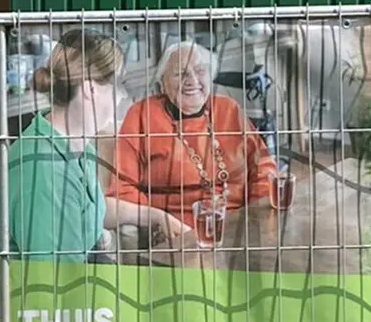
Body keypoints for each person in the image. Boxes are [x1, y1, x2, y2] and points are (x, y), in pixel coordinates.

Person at [0, 28, 191, 262]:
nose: (122, 96)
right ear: (90, 89)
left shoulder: (75, 146)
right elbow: (53, 278)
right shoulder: (45, 173)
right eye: (118, 87)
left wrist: (155, 216)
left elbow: (88, 208)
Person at [109, 41, 279, 239]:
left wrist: (257, 214)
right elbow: (122, 187)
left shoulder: (228, 109)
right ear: (162, 84)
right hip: (181, 233)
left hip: (241, 226)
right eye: (180, 74)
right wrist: (158, 221)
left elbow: (263, 167)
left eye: (200, 71)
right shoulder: (142, 115)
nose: (192, 80)